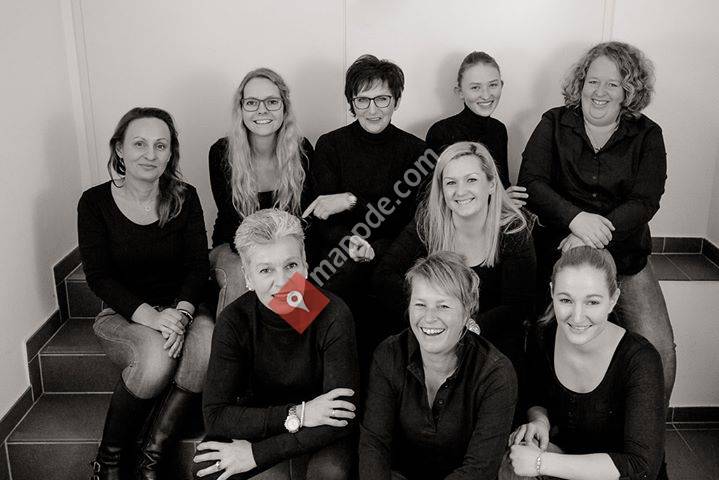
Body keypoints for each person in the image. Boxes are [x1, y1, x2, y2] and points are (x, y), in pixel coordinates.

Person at [518, 41, 675, 404]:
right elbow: (532, 182)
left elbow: (645, 200)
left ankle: (648, 430)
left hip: (625, 254)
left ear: (628, 91)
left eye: (612, 84)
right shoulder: (553, 122)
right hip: (560, 251)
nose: (599, 91)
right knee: (538, 337)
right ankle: (544, 422)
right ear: (581, 83)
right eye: (593, 81)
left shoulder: (648, 134)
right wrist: (576, 219)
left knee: (659, 347)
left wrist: (592, 235)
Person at [78, 107, 212, 479]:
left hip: (183, 307)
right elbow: (99, 277)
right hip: (123, 313)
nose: (150, 154)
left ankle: (151, 458)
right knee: (155, 359)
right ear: (119, 149)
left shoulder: (185, 197)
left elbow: (197, 266)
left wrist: (181, 315)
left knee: (206, 347)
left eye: (160, 145)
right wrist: (153, 318)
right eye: (139, 144)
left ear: (170, 153)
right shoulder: (94, 203)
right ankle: (108, 461)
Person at [193, 209, 359, 480]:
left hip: (323, 427)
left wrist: (256, 454)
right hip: (271, 418)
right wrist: (299, 414)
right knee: (208, 467)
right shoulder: (235, 320)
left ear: (305, 265)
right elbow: (215, 416)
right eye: (265, 270)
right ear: (248, 277)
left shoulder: (332, 315)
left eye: (290, 266)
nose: (282, 282)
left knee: (330, 473)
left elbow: (341, 416)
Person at [351, 142, 535, 371]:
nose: (460, 191)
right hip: (432, 333)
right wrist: (427, 314)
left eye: (471, 180)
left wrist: (465, 328)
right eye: (450, 183)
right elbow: (384, 276)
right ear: (442, 190)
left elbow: (518, 305)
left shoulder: (513, 230)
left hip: (489, 339)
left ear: (491, 184)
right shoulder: (428, 222)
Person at [501, 246, 666, 480]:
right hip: (564, 462)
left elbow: (642, 467)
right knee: (511, 463)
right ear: (552, 292)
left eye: (592, 302)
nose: (577, 317)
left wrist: (541, 463)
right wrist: (540, 420)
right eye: (566, 300)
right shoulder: (544, 334)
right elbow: (535, 394)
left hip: (617, 476)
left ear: (613, 300)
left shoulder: (640, 359)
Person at [359, 252, 517, 480]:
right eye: (420, 304)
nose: (429, 318)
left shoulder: (495, 373)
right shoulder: (389, 354)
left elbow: (479, 469)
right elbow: (375, 445)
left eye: (443, 306)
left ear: (467, 311)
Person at [305, 54, 429, 299]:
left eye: (382, 99)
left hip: (394, 252)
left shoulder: (418, 151)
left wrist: (351, 201)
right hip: (340, 249)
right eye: (362, 100)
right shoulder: (330, 145)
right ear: (352, 103)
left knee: (386, 281)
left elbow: (407, 221)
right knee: (311, 295)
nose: (372, 110)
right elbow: (323, 217)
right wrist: (351, 242)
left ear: (396, 101)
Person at [209, 68, 315, 316]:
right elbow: (233, 221)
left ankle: (288, 338)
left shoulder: (301, 151)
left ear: (284, 107)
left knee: (303, 292)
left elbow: (304, 218)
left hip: (285, 248)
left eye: (271, 102)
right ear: (241, 108)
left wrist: (286, 262)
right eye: (252, 102)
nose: (262, 110)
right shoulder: (222, 153)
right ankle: (235, 340)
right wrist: (272, 262)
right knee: (244, 274)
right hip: (233, 246)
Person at [426, 51, 528, 208]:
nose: (486, 95)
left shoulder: (499, 130)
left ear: (501, 85)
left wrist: (508, 197)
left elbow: (500, 184)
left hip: (493, 213)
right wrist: (497, 200)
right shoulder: (440, 132)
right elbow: (435, 195)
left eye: (493, 85)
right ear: (460, 92)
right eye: (475, 87)